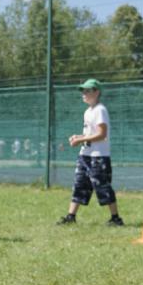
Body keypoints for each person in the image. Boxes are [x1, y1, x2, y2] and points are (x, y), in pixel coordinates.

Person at [57, 79, 124, 226]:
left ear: (97, 92)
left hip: (98, 157)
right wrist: (78, 137)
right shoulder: (88, 111)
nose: (84, 94)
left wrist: (81, 140)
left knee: (103, 186)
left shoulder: (100, 110)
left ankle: (115, 218)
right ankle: (71, 216)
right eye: (83, 91)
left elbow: (102, 134)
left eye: (87, 91)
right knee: (79, 184)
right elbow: (90, 134)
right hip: (85, 155)